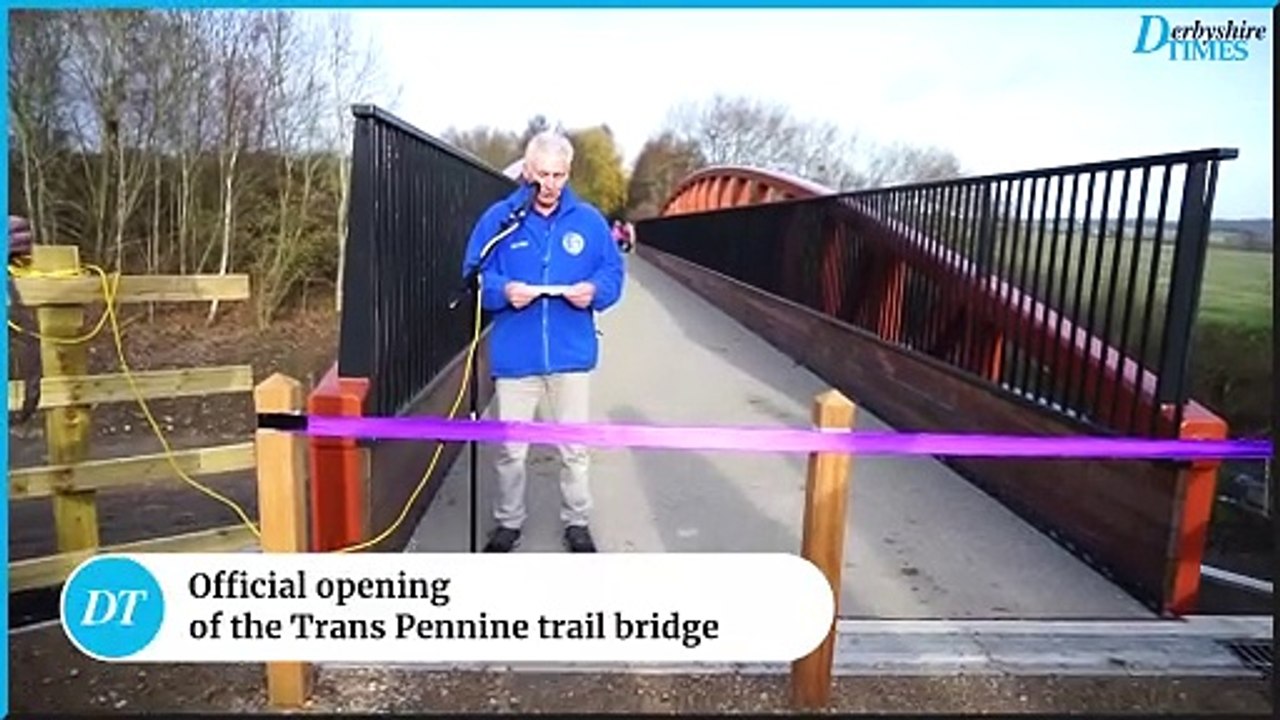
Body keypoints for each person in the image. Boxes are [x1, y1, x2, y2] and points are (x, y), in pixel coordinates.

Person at [460, 130, 625, 553]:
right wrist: (502, 291)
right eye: (542, 174)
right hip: (516, 355)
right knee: (512, 450)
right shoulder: (500, 219)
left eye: (558, 175)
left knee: (574, 448)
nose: (550, 184)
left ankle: (577, 522)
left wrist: (595, 291)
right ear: (527, 170)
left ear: (568, 173)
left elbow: (613, 273)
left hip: (571, 354)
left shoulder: (589, 221)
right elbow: (474, 275)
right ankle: (508, 523)